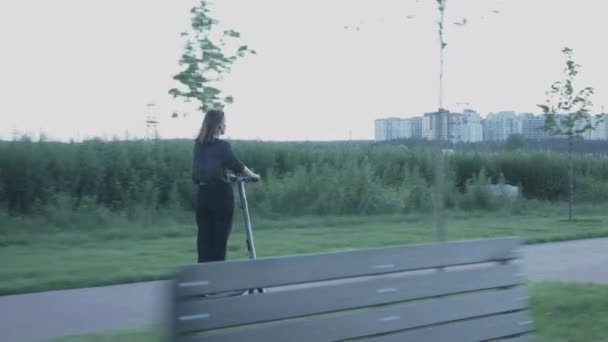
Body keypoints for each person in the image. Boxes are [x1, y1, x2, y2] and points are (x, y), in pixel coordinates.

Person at [191, 109, 260, 263]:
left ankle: (204, 276)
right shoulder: (222, 146)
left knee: (204, 239)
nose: (225, 125)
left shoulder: (198, 145)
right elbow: (237, 166)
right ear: (219, 125)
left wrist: (224, 175)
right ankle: (217, 277)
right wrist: (254, 176)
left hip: (203, 195)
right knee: (219, 240)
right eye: (224, 122)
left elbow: (200, 172)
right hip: (220, 196)